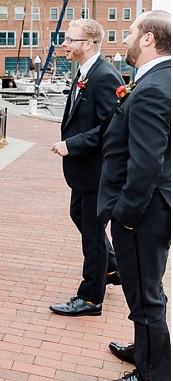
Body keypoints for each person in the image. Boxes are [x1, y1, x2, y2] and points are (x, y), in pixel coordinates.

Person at [92, 10, 170, 381]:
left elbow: (147, 163)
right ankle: (145, 351)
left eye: (130, 32)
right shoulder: (161, 79)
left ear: (147, 40)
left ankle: (150, 378)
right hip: (151, 210)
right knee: (147, 287)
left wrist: (125, 214)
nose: (125, 39)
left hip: (143, 213)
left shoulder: (154, 86)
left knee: (144, 293)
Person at [48, 19, 122, 316]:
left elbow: (111, 127)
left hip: (96, 169)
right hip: (82, 171)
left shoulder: (104, 76)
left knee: (93, 233)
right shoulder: (84, 73)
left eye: (69, 39)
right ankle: (113, 267)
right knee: (77, 214)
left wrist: (72, 144)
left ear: (87, 43)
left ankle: (91, 298)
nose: (64, 44)